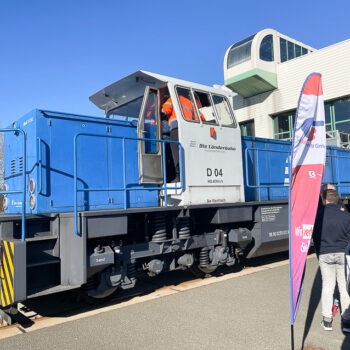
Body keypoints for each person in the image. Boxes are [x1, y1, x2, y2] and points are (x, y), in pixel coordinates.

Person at [313, 189, 350, 332]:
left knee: (328, 286)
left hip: (325, 254)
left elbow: (315, 238)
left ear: (324, 200)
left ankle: (327, 321)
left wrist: (319, 253)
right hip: (343, 254)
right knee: (344, 286)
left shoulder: (318, 216)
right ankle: (347, 322)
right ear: (336, 200)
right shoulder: (346, 216)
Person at [161, 93, 203, 182]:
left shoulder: (172, 99)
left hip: (176, 128)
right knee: (188, 153)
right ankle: (190, 175)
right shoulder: (190, 103)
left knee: (175, 152)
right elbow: (199, 118)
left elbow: (166, 110)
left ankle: (178, 176)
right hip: (189, 130)